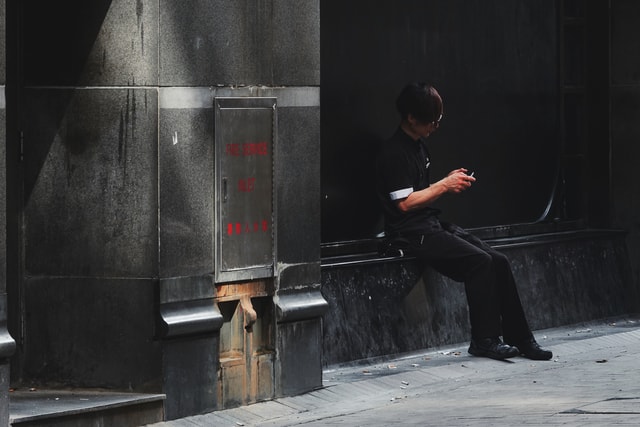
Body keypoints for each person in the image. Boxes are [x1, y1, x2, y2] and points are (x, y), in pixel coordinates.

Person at [375, 82, 552, 361]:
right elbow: (404, 203)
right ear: (411, 117)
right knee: (479, 262)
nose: (435, 126)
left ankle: (522, 338)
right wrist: (445, 185)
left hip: (429, 225)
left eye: (438, 120)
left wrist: (447, 182)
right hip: (409, 233)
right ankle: (484, 340)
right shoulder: (394, 152)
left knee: (498, 260)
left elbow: (417, 193)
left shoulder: (420, 148)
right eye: (431, 120)